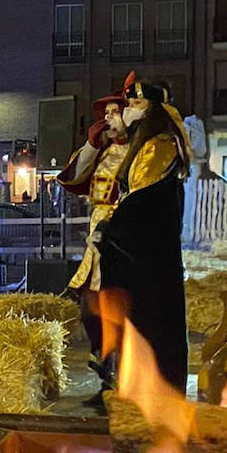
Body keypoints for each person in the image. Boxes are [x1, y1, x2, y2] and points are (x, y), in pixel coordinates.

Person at [95, 80, 192, 391]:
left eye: (136, 105)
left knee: (154, 321)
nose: (129, 111)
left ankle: (156, 388)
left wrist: (112, 228)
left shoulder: (160, 144)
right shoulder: (146, 141)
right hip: (142, 254)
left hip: (151, 255)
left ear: (153, 110)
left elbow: (140, 196)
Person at [58, 92, 131, 388]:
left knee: (117, 301)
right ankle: (103, 362)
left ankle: (118, 372)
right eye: (107, 113)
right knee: (90, 302)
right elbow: (72, 176)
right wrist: (90, 144)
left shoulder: (142, 150)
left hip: (124, 231)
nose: (110, 117)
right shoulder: (102, 151)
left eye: (117, 111)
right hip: (97, 232)